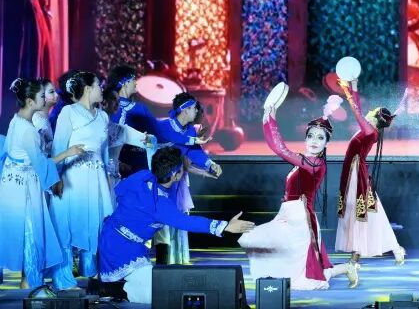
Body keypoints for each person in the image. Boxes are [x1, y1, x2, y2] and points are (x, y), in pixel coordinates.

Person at [96, 146, 254, 303]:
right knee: (157, 294)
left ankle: (116, 288)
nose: (184, 170)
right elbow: (186, 222)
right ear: (174, 174)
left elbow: (120, 190)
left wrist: (206, 166)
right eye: (182, 169)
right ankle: (112, 290)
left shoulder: (144, 176)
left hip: (113, 236)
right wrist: (224, 226)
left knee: (156, 286)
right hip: (120, 249)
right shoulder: (159, 205)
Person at [239, 91, 359, 289]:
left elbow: (279, 148)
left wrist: (270, 118)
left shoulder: (314, 164)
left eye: (320, 138)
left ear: (326, 143)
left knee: (296, 271)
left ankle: (347, 268)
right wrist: (269, 116)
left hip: (300, 219)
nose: (314, 141)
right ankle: (347, 268)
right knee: (272, 250)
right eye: (310, 136)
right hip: (289, 215)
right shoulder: (304, 162)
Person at [0, 79, 85, 289]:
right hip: (25, 189)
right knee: (32, 235)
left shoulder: (16, 120)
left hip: (14, 184)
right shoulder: (28, 130)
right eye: (41, 96)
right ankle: (33, 285)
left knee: (25, 234)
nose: (44, 99)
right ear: (30, 101)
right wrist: (68, 153)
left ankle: (31, 282)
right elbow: (41, 164)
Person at [49, 71, 112, 290]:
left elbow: (105, 152)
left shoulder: (103, 116)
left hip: (96, 178)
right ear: (87, 89)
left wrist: (107, 177)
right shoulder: (69, 112)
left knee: (94, 224)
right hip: (72, 177)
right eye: (98, 85)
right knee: (68, 225)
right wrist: (55, 177)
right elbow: (59, 147)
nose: (102, 89)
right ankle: (64, 280)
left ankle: (90, 276)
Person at [335, 78, 405, 262]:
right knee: (364, 211)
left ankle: (364, 253)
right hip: (354, 171)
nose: (369, 111)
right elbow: (359, 109)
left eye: (372, 111)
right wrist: (354, 86)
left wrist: (346, 90)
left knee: (360, 211)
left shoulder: (369, 131)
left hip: (356, 173)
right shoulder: (371, 130)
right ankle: (388, 249)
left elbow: (356, 110)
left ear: (375, 118)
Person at [152, 92, 221, 265]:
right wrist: (194, 139)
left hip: (178, 182)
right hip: (162, 183)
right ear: (185, 110)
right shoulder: (164, 126)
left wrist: (210, 164)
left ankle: (178, 263)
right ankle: (162, 264)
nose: (197, 111)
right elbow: (174, 138)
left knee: (179, 219)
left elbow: (195, 152)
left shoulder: (189, 130)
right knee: (163, 223)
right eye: (194, 108)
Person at [108, 64, 159, 176]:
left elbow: (156, 136)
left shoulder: (141, 108)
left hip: (138, 167)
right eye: (134, 79)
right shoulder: (107, 108)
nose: (136, 82)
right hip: (111, 167)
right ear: (125, 83)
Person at [31, 78, 58, 156]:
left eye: (55, 91)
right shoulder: (38, 121)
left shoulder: (43, 118)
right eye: (51, 92)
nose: (56, 95)